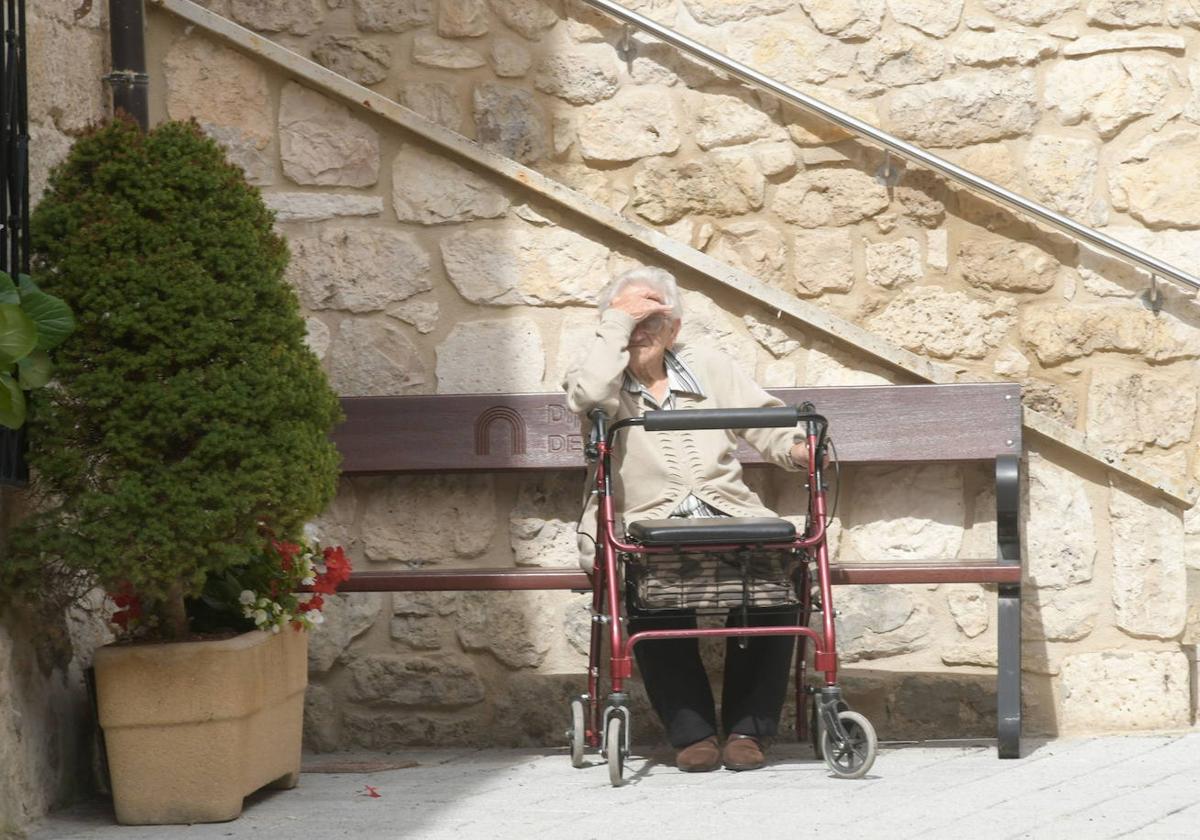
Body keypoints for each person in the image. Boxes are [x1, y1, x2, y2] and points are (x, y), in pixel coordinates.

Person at [563, 266, 811, 774]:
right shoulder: (599, 373)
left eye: (651, 317)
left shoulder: (708, 365)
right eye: (629, 316)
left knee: (773, 585)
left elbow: (767, 422)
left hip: (728, 514)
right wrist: (616, 326)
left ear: (673, 329)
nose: (640, 329)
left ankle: (748, 730)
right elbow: (589, 399)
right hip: (644, 519)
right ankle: (692, 732)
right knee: (651, 586)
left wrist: (798, 449)